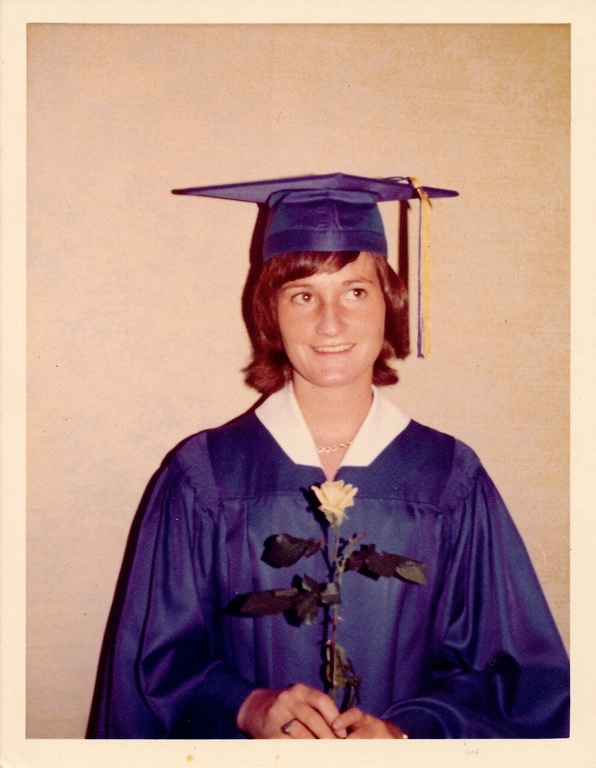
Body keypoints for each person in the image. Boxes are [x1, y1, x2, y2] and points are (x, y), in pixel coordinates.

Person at [87, 173, 569, 739]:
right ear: (269, 312)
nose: (331, 322)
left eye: (355, 292)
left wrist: (409, 732)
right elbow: (152, 663)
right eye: (303, 295)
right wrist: (245, 706)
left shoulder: (448, 478)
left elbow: (518, 677)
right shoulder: (206, 475)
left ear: (390, 304)